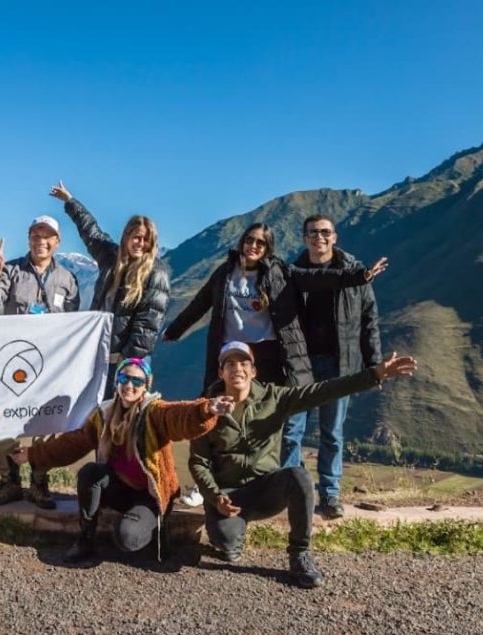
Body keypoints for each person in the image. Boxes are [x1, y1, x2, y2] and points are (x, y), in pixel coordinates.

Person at [162, 222, 386, 508]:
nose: (254, 246)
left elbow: (316, 278)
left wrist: (360, 276)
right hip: (229, 354)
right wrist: (175, 330)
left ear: (268, 249)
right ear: (242, 242)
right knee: (213, 415)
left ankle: (275, 486)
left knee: (267, 422)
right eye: (250, 240)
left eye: (261, 243)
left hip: (268, 356)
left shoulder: (278, 271)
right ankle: (206, 487)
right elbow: (201, 302)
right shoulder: (224, 273)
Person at [190, 341, 417, 588]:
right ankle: (234, 532)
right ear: (221, 372)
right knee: (226, 544)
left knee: (299, 475)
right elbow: (199, 462)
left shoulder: (275, 398)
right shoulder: (205, 409)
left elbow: (324, 390)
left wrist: (374, 374)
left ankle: (300, 554)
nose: (238, 369)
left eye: (244, 363)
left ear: (253, 371)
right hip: (227, 497)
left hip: (267, 489)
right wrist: (214, 497)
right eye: (230, 364)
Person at [13, 358, 232, 563]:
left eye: (137, 380)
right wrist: (32, 454)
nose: (129, 385)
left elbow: (177, 416)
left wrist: (206, 409)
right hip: (119, 488)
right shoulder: (104, 414)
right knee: (90, 473)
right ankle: (86, 539)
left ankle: (157, 525)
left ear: (146, 386)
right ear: (116, 382)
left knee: (128, 539)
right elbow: (73, 443)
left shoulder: (153, 412)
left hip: (149, 495)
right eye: (124, 378)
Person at [282, 215, 382, 519]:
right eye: (313, 233)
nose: (319, 237)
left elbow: (369, 320)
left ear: (335, 237)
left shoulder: (356, 272)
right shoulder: (292, 273)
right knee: (291, 431)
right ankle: (289, 493)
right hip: (300, 364)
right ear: (304, 238)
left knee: (332, 432)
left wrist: (374, 363)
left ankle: (330, 495)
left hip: (341, 364)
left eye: (325, 232)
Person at [0, 215, 80, 508]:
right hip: (13, 361)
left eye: (47, 236)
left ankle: (39, 484)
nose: (41, 241)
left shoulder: (67, 279)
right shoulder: (10, 270)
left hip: (49, 366)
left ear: (57, 241)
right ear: (28, 239)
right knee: (6, 422)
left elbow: (74, 323)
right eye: (36, 235)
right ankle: (9, 483)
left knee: (45, 423)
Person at [49, 181, 170, 398]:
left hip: (128, 362)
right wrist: (70, 201)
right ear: (126, 237)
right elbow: (91, 231)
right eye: (136, 237)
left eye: (146, 239)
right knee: (95, 413)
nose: (140, 243)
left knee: (124, 416)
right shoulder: (111, 257)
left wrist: (127, 363)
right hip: (100, 353)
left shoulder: (156, 273)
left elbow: (147, 326)